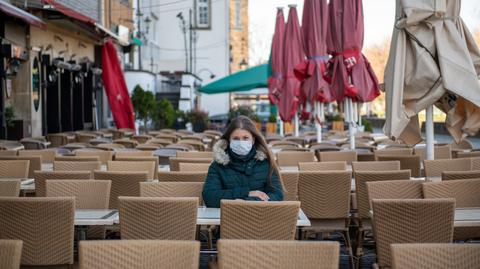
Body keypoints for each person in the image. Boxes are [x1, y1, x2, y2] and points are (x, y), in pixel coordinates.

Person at [202, 115, 284, 208]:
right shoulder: (218, 166)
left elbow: (277, 195)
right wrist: (247, 193)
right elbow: (210, 197)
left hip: (260, 218)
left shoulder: (266, 163)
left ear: (253, 140)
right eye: (236, 139)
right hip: (228, 219)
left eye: (245, 138)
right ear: (229, 140)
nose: (241, 142)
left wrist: (246, 202)